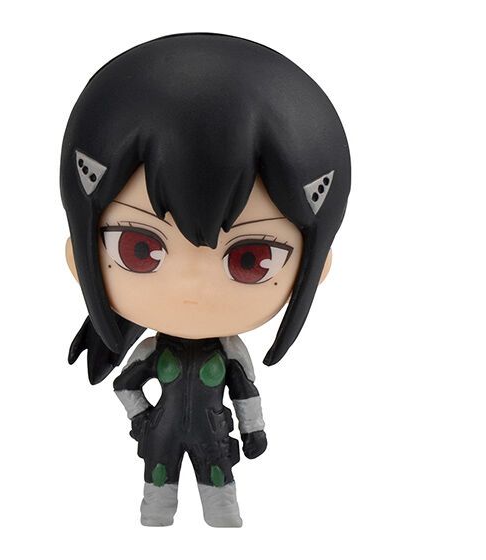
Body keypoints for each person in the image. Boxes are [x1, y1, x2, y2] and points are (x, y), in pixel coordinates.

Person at [60, 33, 350, 526]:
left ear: (315, 269)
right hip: (161, 440)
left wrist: (253, 431)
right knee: (157, 499)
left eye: (251, 259)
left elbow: (246, 394)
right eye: (139, 249)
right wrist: (142, 420)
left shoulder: (231, 357)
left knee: (221, 498)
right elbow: (125, 386)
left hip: (215, 439)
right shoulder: (150, 355)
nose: (192, 285)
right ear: (77, 256)